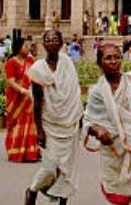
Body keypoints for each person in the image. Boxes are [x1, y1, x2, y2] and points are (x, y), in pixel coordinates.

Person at [84, 43, 131, 204]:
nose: (113, 61)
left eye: (117, 57)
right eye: (108, 58)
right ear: (99, 63)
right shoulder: (97, 91)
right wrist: (98, 130)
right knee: (117, 190)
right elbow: (88, 120)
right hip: (112, 149)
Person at [25, 30, 83, 205]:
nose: (51, 43)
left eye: (55, 40)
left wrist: (78, 119)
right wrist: (39, 130)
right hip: (50, 123)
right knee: (50, 166)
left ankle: (62, 201)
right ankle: (32, 190)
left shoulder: (67, 64)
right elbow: (37, 102)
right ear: (43, 44)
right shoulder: (38, 69)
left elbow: (74, 94)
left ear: (61, 44)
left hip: (70, 124)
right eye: (47, 40)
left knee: (67, 167)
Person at [5, 36, 40, 163]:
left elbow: (37, 73)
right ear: (18, 48)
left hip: (29, 97)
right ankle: (16, 151)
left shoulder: (30, 60)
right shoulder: (11, 62)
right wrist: (22, 90)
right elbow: (11, 81)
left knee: (30, 123)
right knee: (16, 124)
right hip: (16, 98)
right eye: (25, 46)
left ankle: (31, 152)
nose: (28, 48)